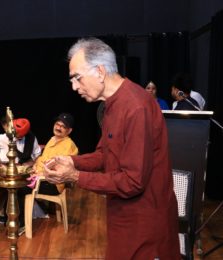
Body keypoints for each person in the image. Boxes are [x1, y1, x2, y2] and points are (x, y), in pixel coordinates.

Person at [43, 38, 180, 259]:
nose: (74, 87)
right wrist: (72, 161)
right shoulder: (110, 105)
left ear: (99, 71)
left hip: (144, 225)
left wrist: (75, 176)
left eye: (77, 78)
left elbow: (133, 181)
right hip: (122, 216)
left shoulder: (136, 107)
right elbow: (105, 154)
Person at [16, 113, 79, 235]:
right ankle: (13, 218)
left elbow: (58, 168)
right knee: (15, 179)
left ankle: (22, 224)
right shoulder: (52, 139)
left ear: (69, 131)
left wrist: (39, 174)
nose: (58, 127)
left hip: (53, 183)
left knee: (19, 188)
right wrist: (33, 166)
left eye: (63, 126)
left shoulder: (69, 145)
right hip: (41, 177)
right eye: (57, 124)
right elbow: (43, 158)